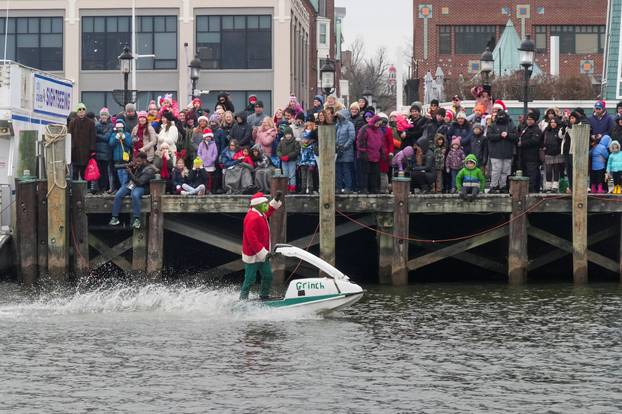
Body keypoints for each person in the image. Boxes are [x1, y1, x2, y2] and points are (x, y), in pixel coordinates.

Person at [240, 191, 283, 300]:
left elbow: (269, 209)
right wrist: (263, 253)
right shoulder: (252, 218)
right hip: (253, 255)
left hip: (262, 254)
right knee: (249, 279)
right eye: (264, 204)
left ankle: (264, 296)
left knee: (268, 276)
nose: (267, 206)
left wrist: (275, 200)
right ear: (257, 205)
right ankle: (243, 299)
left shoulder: (260, 213)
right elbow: (252, 240)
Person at [108, 152, 157, 229]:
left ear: (144, 160)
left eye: (139, 161)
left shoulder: (149, 170)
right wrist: (131, 170)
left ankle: (137, 219)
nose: (137, 163)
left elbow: (140, 182)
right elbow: (131, 179)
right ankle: (115, 217)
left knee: (134, 194)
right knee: (119, 193)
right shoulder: (137, 166)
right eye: (136, 161)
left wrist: (130, 173)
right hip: (133, 184)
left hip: (142, 187)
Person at [487, 110, 517, 193]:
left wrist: (508, 135)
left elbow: (516, 137)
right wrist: (499, 135)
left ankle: (503, 186)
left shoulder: (511, 125)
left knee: (505, 171)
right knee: (496, 171)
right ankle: (493, 186)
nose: (501, 118)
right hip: (496, 153)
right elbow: (489, 136)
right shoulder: (492, 125)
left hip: (508, 152)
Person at [356, 114, 385, 194]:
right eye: (377, 123)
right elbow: (360, 141)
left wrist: (382, 153)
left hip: (375, 155)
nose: (378, 125)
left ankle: (374, 188)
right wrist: (363, 151)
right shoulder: (365, 129)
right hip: (366, 155)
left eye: (379, 124)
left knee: (374, 173)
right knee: (365, 172)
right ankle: (364, 188)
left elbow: (382, 142)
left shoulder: (379, 130)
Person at [69, 102, 97, 180]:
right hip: (75, 151)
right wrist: (71, 148)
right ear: (77, 112)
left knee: (84, 171)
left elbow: (93, 137)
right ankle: (75, 188)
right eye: (79, 110)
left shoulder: (91, 123)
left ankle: (84, 188)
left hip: (86, 151)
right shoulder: (72, 123)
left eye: (83, 110)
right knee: (75, 171)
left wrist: (92, 150)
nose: (81, 112)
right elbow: (70, 136)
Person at [518, 112, 543, 192]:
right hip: (524, 156)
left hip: (533, 156)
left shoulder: (536, 130)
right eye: (528, 119)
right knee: (525, 174)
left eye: (531, 119)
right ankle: (526, 190)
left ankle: (533, 190)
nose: (529, 121)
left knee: (532, 174)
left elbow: (535, 141)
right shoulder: (526, 129)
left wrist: (522, 143)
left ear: (535, 120)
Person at [542, 117, 564, 193]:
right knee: (548, 170)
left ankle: (555, 186)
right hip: (548, 152)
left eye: (554, 122)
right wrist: (543, 146)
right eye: (551, 122)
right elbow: (542, 140)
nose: (553, 123)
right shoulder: (546, 131)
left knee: (556, 170)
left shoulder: (559, 131)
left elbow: (561, 140)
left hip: (557, 153)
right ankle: (548, 185)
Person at [335, 109, 355, 193]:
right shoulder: (337, 125)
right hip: (338, 151)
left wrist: (344, 147)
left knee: (346, 170)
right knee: (338, 171)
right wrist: (336, 146)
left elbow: (352, 137)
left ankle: (348, 187)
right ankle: (338, 187)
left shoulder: (350, 125)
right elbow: (335, 136)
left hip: (347, 152)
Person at [108, 119, 132, 188]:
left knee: (125, 174)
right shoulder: (113, 134)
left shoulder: (127, 134)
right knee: (119, 174)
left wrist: (124, 138)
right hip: (116, 158)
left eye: (121, 127)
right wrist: (116, 138)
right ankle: (121, 188)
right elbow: (111, 144)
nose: (119, 129)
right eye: (118, 127)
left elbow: (130, 144)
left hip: (125, 158)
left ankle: (124, 188)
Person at [95, 107, 113, 193]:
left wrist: (98, 135)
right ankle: (100, 188)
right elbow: (93, 136)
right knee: (99, 171)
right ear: (100, 116)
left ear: (108, 116)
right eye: (102, 114)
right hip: (98, 152)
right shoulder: (96, 125)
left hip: (106, 152)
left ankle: (105, 188)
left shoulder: (111, 125)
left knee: (105, 171)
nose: (104, 116)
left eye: (105, 114)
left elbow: (107, 138)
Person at [277, 127, 300, 193]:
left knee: (292, 175)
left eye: (289, 134)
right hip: (284, 161)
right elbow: (278, 150)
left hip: (292, 160)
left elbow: (296, 151)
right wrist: (281, 156)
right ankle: (286, 187)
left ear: (292, 134)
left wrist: (288, 156)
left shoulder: (295, 141)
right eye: (287, 134)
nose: (288, 135)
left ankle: (292, 188)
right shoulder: (282, 142)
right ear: (284, 135)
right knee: (285, 174)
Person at [197, 128, 218, 193]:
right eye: (206, 137)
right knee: (203, 177)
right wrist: (201, 159)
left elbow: (215, 153)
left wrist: (212, 159)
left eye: (209, 137)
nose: (208, 138)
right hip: (203, 163)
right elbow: (199, 152)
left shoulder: (213, 144)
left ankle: (209, 189)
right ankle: (203, 189)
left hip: (210, 164)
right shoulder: (201, 144)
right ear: (204, 137)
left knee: (209, 178)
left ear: (211, 137)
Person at [298, 122, 317, 194]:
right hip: (303, 161)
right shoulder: (301, 141)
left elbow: (313, 153)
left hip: (310, 161)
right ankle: (303, 188)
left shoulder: (313, 143)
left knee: (310, 176)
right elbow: (300, 152)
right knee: (303, 176)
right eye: (307, 126)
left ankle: (310, 188)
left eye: (309, 126)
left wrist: (312, 162)